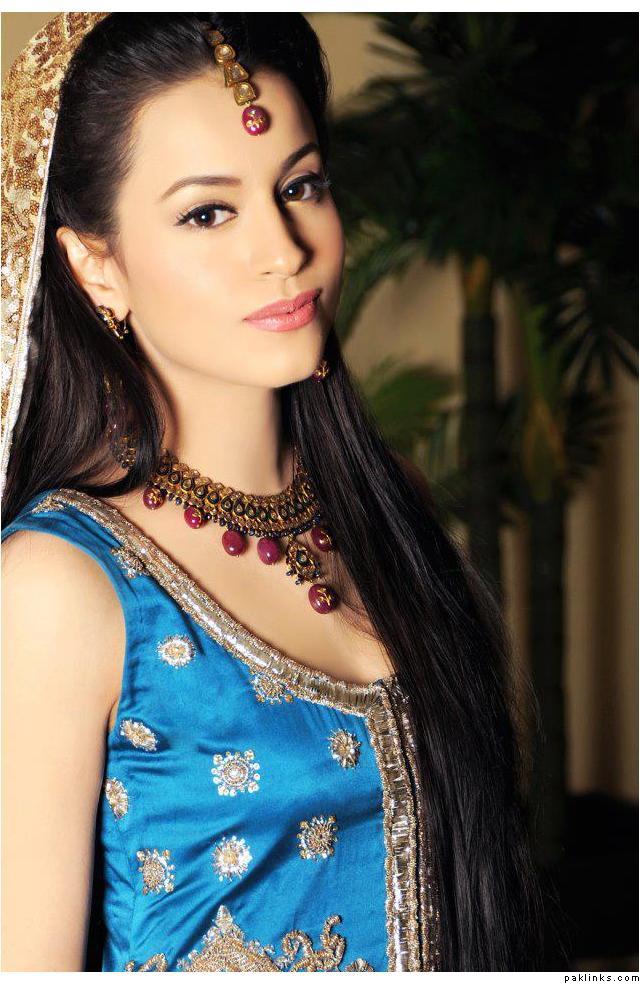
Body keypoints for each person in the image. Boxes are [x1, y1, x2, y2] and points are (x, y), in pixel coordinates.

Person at [1, 13, 546, 973]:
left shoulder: (389, 506)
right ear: (96, 265)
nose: (283, 248)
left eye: (299, 186)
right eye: (208, 213)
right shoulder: (59, 587)